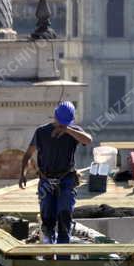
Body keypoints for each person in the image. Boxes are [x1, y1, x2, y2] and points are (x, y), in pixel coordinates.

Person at [19, 101, 93, 244]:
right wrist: (23, 173)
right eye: (60, 122)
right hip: (47, 180)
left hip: (66, 180)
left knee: (64, 217)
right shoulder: (41, 132)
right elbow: (28, 154)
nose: (61, 125)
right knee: (47, 221)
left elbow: (88, 140)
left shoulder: (73, 131)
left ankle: (63, 257)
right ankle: (49, 255)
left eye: (65, 123)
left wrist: (68, 130)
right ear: (55, 116)